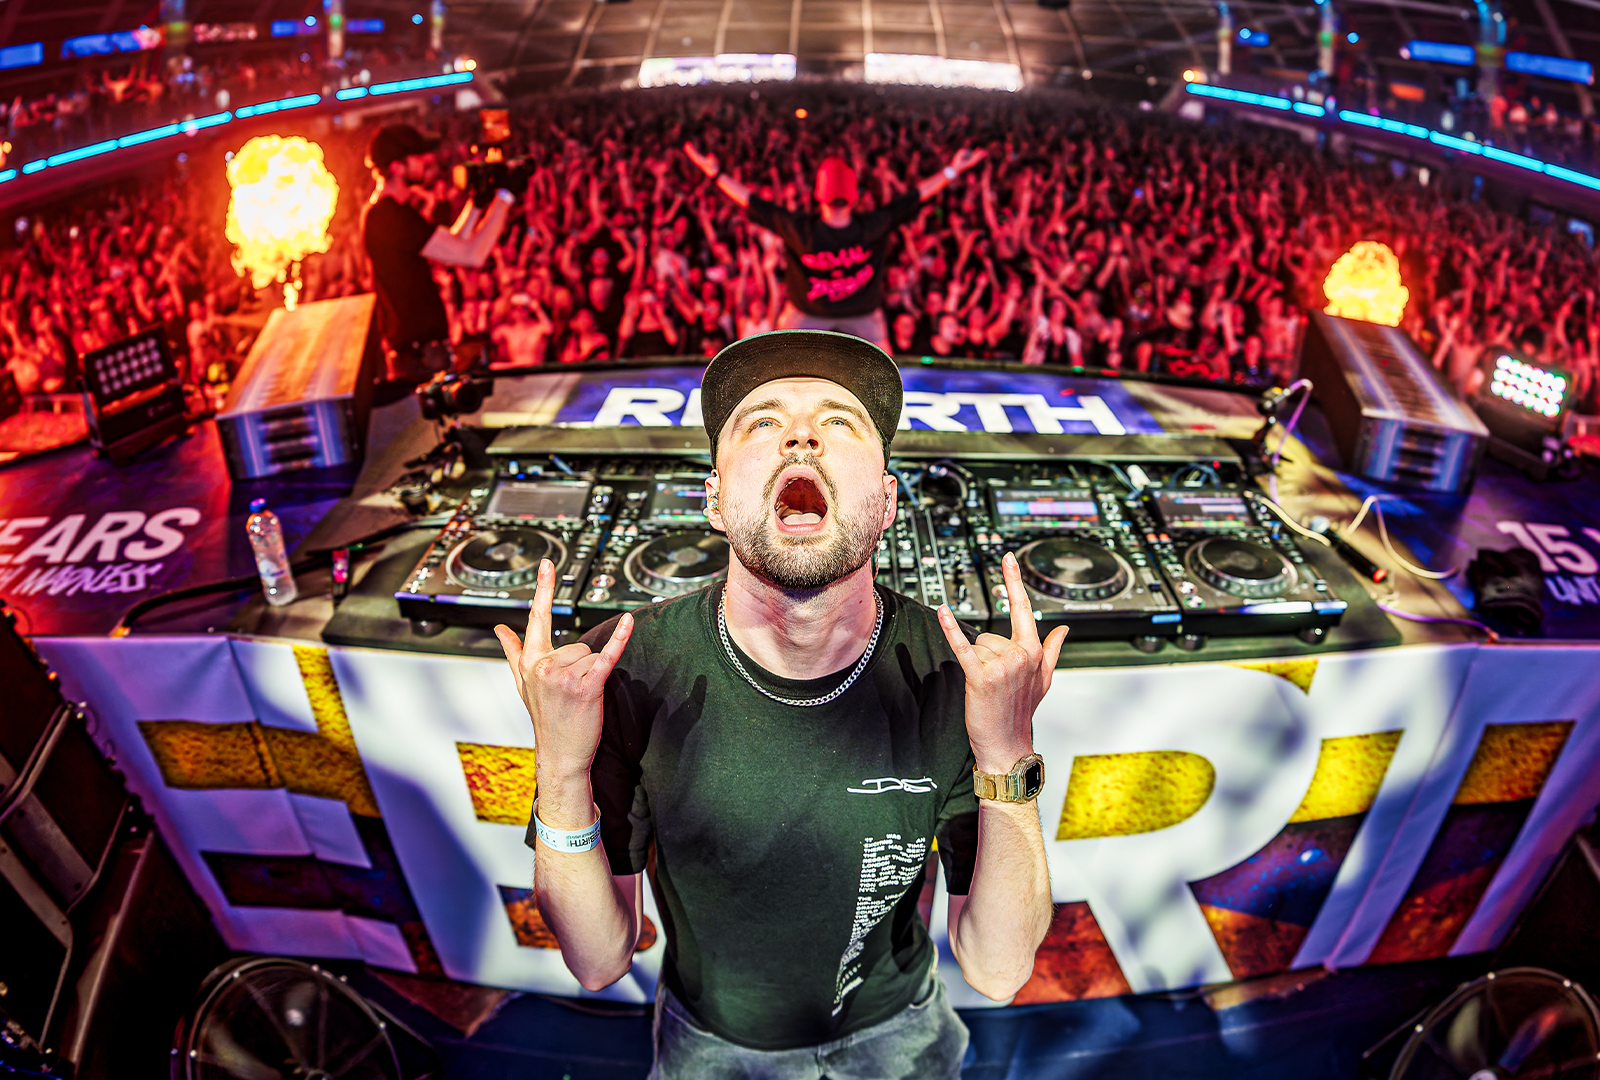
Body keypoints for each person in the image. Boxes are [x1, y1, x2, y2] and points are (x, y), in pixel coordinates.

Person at [494, 330, 1062, 1080]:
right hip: (712, 1047)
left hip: (901, 1037)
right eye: (762, 422)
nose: (800, 435)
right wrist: (562, 769)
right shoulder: (624, 670)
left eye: (839, 421)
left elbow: (998, 968)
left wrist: (1007, 752)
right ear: (715, 500)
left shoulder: (953, 676)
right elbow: (597, 960)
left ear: (887, 502)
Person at [682, 144, 989, 352]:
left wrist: (715, 174)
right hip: (859, 313)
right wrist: (952, 170)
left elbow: (751, 201)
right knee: (885, 370)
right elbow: (916, 196)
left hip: (811, 312)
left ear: (818, 195)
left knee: (778, 357)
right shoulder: (873, 225)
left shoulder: (800, 228)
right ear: (854, 196)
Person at [361, 123, 514, 383]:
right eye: (418, 156)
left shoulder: (387, 212)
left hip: (419, 355)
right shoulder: (389, 217)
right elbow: (472, 255)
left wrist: (476, 204)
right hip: (419, 358)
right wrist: (506, 195)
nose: (428, 160)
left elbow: (452, 245)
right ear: (397, 167)